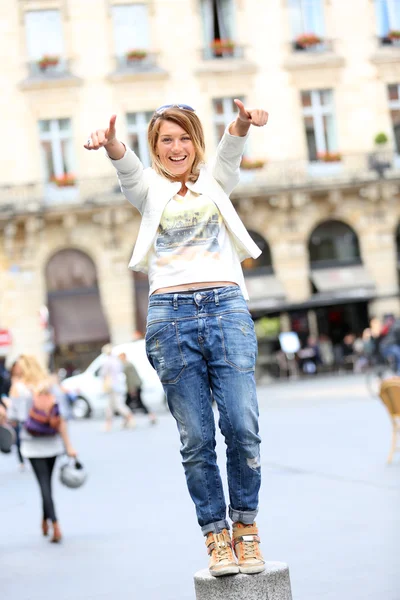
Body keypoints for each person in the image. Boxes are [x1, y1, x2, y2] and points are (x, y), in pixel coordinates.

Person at [85, 99, 268, 576]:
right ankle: (216, 538)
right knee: (196, 439)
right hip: (171, 317)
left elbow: (231, 151)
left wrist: (243, 123)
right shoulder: (147, 188)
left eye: (185, 136)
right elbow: (127, 169)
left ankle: (245, 529)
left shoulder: (216, 181)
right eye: (166, 139)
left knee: (242, 426)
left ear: (196, 141)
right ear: (155, 147)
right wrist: (111, 146)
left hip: (226, 309)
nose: (177, 146)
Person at [7, 354, 77, 543]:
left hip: (31, 442)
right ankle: (45, 520)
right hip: (53, 442)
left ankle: (55, 524)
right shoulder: (50, 386)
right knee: (47, 484)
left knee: (43, 484)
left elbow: (14, 417)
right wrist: (68, 445)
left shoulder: (18, 389)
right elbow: (61, 418)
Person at [100, 344, 135, 431]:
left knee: (116, 405)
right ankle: (112, 423)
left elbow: (103, 374)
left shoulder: (107, 361)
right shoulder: (116, 360)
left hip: (111, 386)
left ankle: (129, 418)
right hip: (118, 385)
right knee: (112, 406)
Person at [118, 352, 157, 425]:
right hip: (134, 386)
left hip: (134, 387)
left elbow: (131, 379)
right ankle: (127, 420)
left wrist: (132, 389)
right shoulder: (128, 364)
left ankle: (151, 416)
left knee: (137, 403)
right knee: (129, 403)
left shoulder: (127, 365)